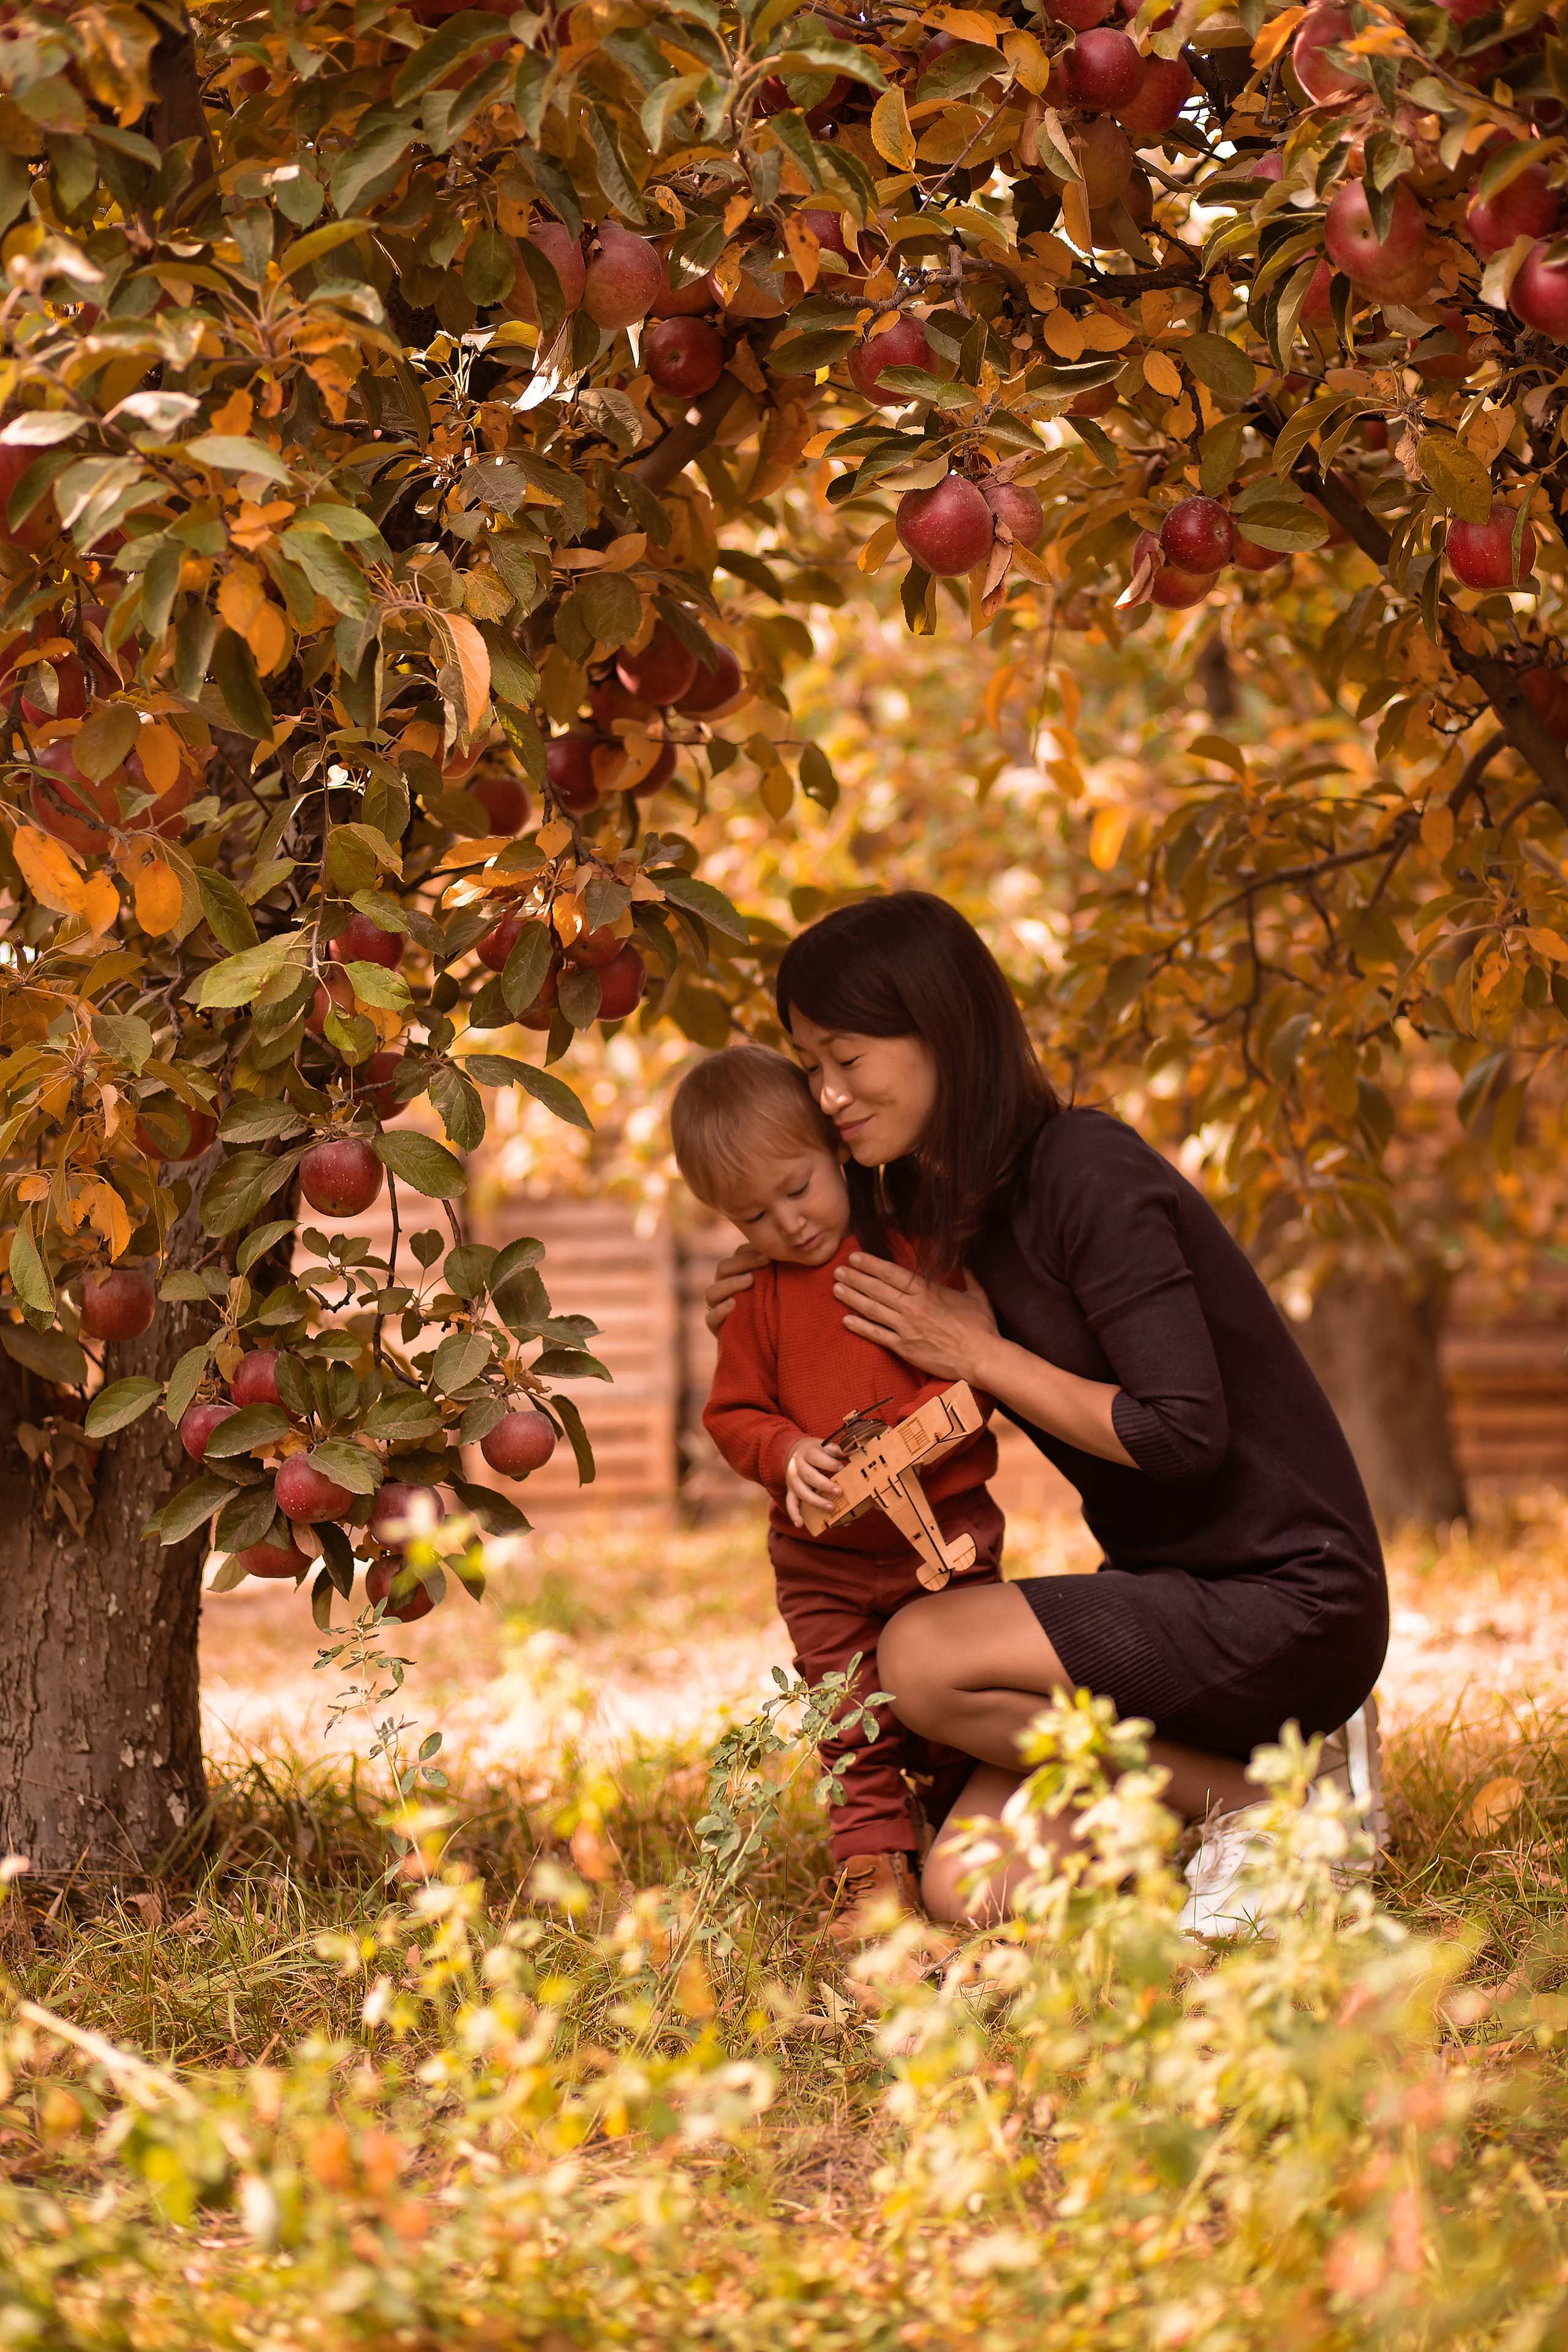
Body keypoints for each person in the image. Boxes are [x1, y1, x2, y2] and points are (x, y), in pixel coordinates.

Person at [704, 892, 1389, 1935]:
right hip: (1160, 1601)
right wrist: (764, 1279)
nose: (828, 1094)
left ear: (937, 1028)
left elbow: (1182, 1435)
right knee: (975, 1887)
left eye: (846, 1056)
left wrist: (979, 1353)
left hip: (1289, 1599)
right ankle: (1239, 1771)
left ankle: (1278, 1800)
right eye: (810, 1065)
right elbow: (809, 1251)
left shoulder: (1087, 1171)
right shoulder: (930, 1213)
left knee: (924, 1658)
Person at [670, 1042, 1005, 1945]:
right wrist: (786, 1455)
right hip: (823, 1564)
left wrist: (918, 1430)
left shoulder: (912, 1253)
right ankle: (872, 1877)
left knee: (957, 1704)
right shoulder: (758, 1300)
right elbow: (733, 1413)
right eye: (754, 1214)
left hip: (941, 1533)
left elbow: (968, 1375)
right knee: (847, 1717)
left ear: (834, 1147)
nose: (791, 1223)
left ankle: (965, 1825)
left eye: (799, 1187)